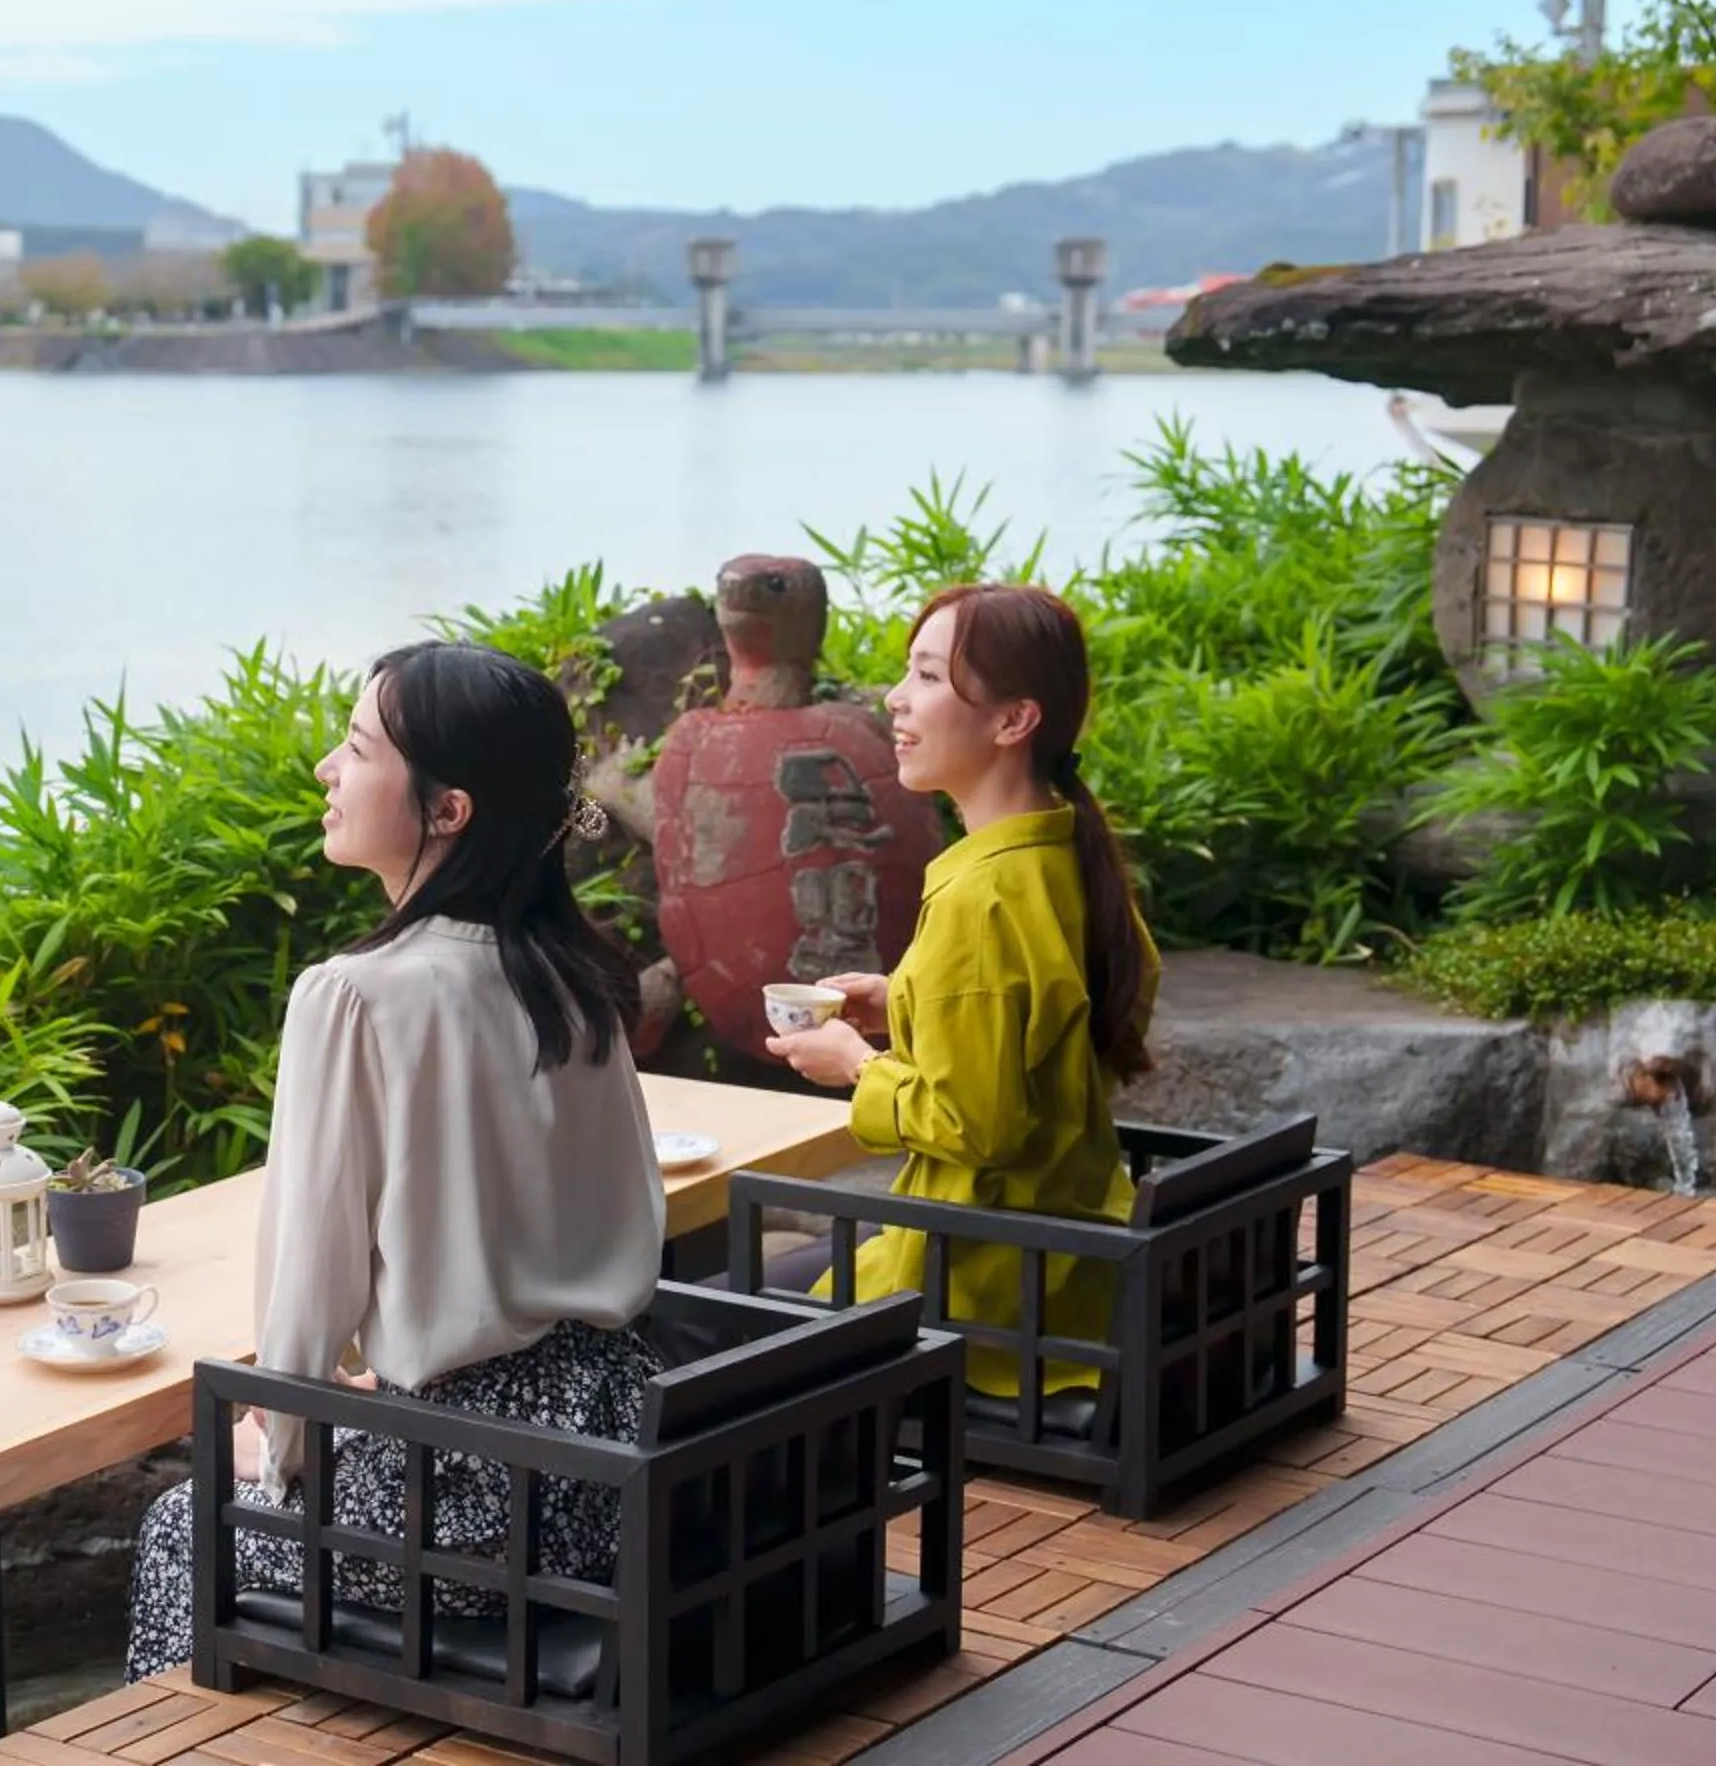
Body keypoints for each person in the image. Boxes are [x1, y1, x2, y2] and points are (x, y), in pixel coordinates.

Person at [123, 641, 666, 1682]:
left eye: (357, 747)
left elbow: (306, 1291)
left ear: (448, 808)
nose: (328, 767)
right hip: (615, 1451)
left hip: (477, 1498)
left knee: (185, 1522)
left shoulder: (356, 995)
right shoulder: (578, 973)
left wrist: (281, 1453)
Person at [762, 582, 1157, 1403]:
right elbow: (1042, 1029)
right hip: (1069, 1256)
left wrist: (854, 1067)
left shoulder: (982, 898)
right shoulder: (1064, 852)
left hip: (982, 1291)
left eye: (930, 678)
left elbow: (974, 1123)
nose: (897, 700)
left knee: (717, 1305)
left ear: (1014, 721)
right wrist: (904, 1000)